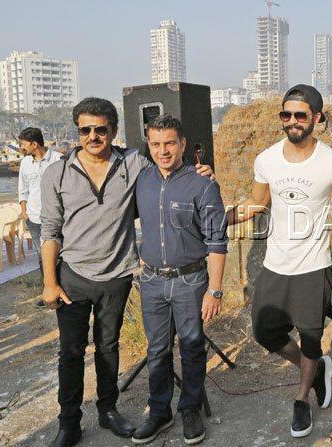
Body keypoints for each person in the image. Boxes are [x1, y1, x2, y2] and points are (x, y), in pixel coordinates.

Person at [40, 98, 213, 447]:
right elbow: (49, 232)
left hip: (117, 274)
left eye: (100, 129)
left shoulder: (132, 163)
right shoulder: (55, 172)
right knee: (71, 351)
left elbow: (170, 168)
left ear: (114, 131)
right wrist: (49, 283)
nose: (93, 136)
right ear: (78, 133)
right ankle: (69, 423)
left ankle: (108, 411)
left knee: (107, 347)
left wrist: (202, 171)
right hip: (73, 276)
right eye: (85, 130)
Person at [226, 85, 332, 439]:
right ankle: (315, 368)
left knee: (311, 336)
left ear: (316, 118)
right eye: (286, 114)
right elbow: (258, 203)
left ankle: (302, 397)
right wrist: (221, 217)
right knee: (265, 331)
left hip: (313, 264)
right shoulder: (267, 158)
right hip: (276, 262)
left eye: (300, 115)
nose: (292, 121)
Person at [130, 114, 228, 445]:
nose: (163, 150)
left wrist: (214, 290)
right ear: (148, 145)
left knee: (191, 347)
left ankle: (190, 409)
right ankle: (159, 412)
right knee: (157, 349)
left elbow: (217, 241)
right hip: (153, 281)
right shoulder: (142, 181)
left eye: (170, 143)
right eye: (155, 144)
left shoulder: (203, 184)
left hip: (190, 281)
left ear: (183, 143)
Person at [18, 127, 63, 307]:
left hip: (56, 217)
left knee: (60, 254)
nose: (21, 147)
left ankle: (64, 289)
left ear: (34, 144)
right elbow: (23, 189)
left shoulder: (59, 160)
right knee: (41, 255)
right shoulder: (25, 163)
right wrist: (24, 211)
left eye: (23, 144)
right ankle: (49, 292)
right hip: (34, 218)